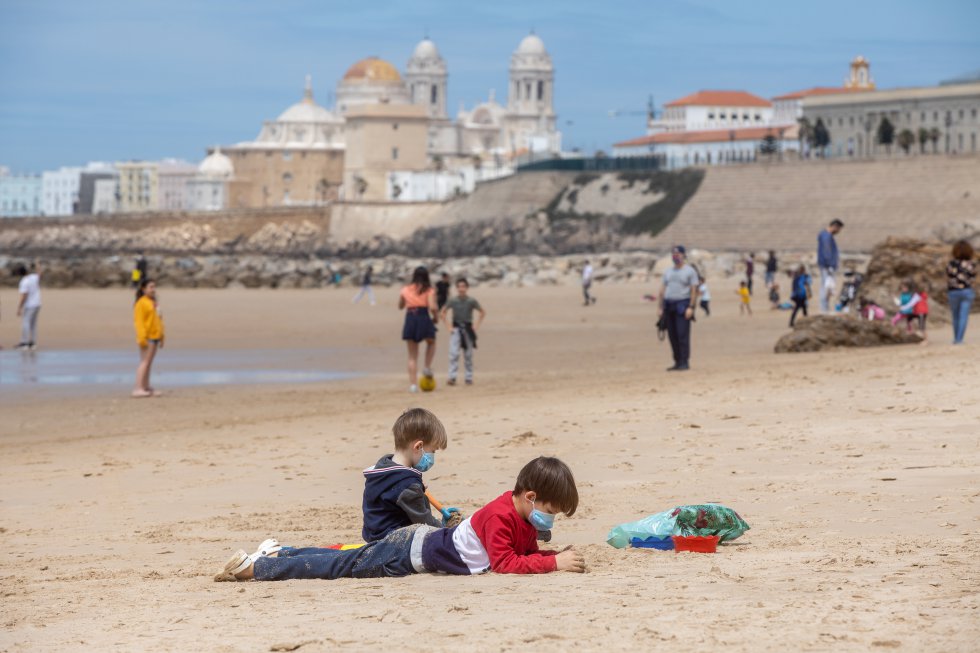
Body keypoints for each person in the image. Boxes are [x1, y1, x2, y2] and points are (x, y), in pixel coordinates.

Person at [213, 456, 585, 581]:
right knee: (341, 565)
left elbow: (521, 548)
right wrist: (553, 563)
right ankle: (255, 569)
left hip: (418, 542)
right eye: (549, 512)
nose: (548, 520)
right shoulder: (500, 515)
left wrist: (550, 553)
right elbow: (505, 564)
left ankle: (280, 552)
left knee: (349, 555)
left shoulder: (516, 511)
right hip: (409, 551)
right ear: (532, 497)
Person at [361, 408, 459, 542]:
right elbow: (424, 521)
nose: (432, 457)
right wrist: (446, 531)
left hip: (373, 537)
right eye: (433, 451)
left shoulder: (383, 470)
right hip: (393, 545)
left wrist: (418, 490)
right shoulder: (407, 484)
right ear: (418, 447)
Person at [658, 246, 699, 371]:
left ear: (683, 255)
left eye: (678, 253)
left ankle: (684, 361)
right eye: (673, 254)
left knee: (682, 334)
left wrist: (691, 307)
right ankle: (676, 361)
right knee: (672, 335)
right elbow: (662, 289)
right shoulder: (668, 271)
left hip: (683, 305)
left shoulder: (690, 271)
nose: (675, 256)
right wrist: (660, 307)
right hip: (669, 305)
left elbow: (694, 290)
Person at [399, 266, 438, 393]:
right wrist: (435, 318)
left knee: (412, 355)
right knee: (431, 342)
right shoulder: (429, 290)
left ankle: (413, 385)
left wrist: (407, 300)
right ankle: (426, 366)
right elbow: (432, 307)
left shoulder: (405, 289)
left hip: (410, 317)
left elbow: (400, 306)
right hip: (423, 316)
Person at [441, 278, 486, 386]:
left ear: (467, 288)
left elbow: (482, 312)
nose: (461, 289)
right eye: (459, 287)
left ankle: (468, 377)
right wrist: (448, 326)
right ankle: (452, 377)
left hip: (468, 328)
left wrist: (476, 325)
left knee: (468, 355)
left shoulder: (471, 301)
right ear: (456, 288)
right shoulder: (453, 300)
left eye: (463, 287)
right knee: (453, 354)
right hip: (456, 328)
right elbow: (442, 312)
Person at [133, 278, 164, 398]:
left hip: (155, 335)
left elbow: (158, 319)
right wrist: (142, 338)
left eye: (154, 287)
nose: (153, 289)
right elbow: (139, 322)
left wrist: (162, 336)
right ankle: (138, 388)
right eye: (150, 287)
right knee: (144, 362)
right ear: (143, 289)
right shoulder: (141, 303)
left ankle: (146, 386)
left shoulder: (153, 302)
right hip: (147, 337)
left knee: (149, 363)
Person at [946, 240, 976, 344]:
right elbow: (972, 277)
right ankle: (959, 339)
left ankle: (956, 338)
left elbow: (949, 276)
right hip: (966, 291)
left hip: (953, 291)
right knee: (963, 316)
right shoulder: (970, 264)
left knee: (955, 316)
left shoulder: (951, 264)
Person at [817, 219, 844, 313]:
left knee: (829, 288)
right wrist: (829, 266)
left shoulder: (827, 236)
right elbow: (826, 251)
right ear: (835, 226)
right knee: (826, 287)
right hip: (827, 266)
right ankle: (824, 309)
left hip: (827, 265)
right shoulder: (826, 236)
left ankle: (825, 308)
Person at [15, 263, 42, 351]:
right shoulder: (33, 277)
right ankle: (33, 342)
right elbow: (39, 273)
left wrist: (19, 307)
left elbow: (24, 296)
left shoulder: (24, 282)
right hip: (37, 303)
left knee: (26, 323)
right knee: (33, 324)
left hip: (30, 305)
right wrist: (37, 265)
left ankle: (25, 343)